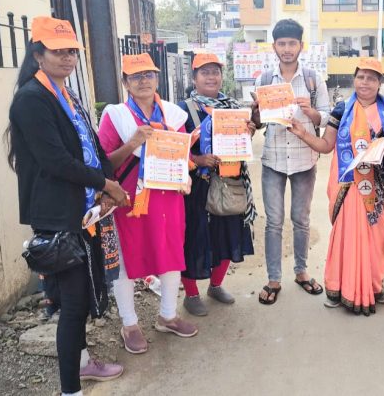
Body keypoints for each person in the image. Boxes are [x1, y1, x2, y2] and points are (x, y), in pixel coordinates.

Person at [7, 16, 129, 396]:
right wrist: (106, 184)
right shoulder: (31, 99)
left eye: (72, 51)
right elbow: (55, 160)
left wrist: (106, 183)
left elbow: (91, 146)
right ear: (38, 54)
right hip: (58, 215)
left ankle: (82, 362)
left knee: (84, 295)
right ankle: (70, 390)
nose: (67, 58)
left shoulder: (68, 94)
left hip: (84, 208)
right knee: (73, 304)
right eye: (57, 51)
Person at [97, 53, 198, 355]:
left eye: (149, 75)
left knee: (170, 252)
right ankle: (129, 324)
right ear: (125, 82)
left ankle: (168, 315)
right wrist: (132, 142)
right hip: (129, 199)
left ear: (157, 78)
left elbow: (184, 156)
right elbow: (103, 165)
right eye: (136, 76)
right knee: (126, 259)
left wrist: (186, 175)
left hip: (168, 197)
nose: (143, 81)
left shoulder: (173, 115)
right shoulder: (115, 116)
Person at [289, 58, 384, 315]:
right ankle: (340, 287)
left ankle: (374, 286)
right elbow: (327, 145)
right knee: (347, 238)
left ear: (379, 83)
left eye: (371, 78)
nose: (365, 82)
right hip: (349, 185)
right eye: (361, 77)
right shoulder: (341, 110)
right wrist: (303, 134)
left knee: (377, 239)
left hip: (381, 187)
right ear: (354, 79)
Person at [251, 19, 331, 304]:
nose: (287, 49)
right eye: (282, 43)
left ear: (301, 46)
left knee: (301, 219)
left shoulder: (313, 79)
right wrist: (256, 112)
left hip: (304, 159)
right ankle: (274, 278)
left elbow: (326, 117)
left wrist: (311, 112)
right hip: (273, 158)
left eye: (292, 43)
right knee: (273, 222)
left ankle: (301, 271)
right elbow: (258, 124)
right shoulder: (264, 80)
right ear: (274, 46)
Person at [177, 53, 257, 316]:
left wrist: (247, 133)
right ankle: (191, 294)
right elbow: (173, 149)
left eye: (215, 71)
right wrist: (198, 159)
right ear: (194, 78)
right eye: (204, 72)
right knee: (194, 238)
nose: (211, 77)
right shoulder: (182, 110)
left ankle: (216, 285)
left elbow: (241, 144)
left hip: (229, 181)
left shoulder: (232, 108)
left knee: (228, 234)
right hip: (197, 187)